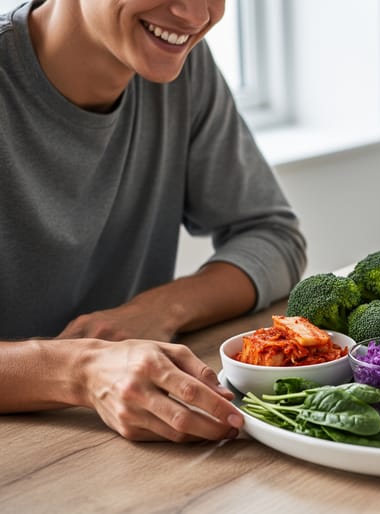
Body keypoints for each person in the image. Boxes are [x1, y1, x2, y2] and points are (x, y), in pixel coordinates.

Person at [0, 0, 307, 442]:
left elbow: (273, 236)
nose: (194, 14)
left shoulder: (181, 66)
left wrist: (158, 310)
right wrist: (79, 370)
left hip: (111, 446)